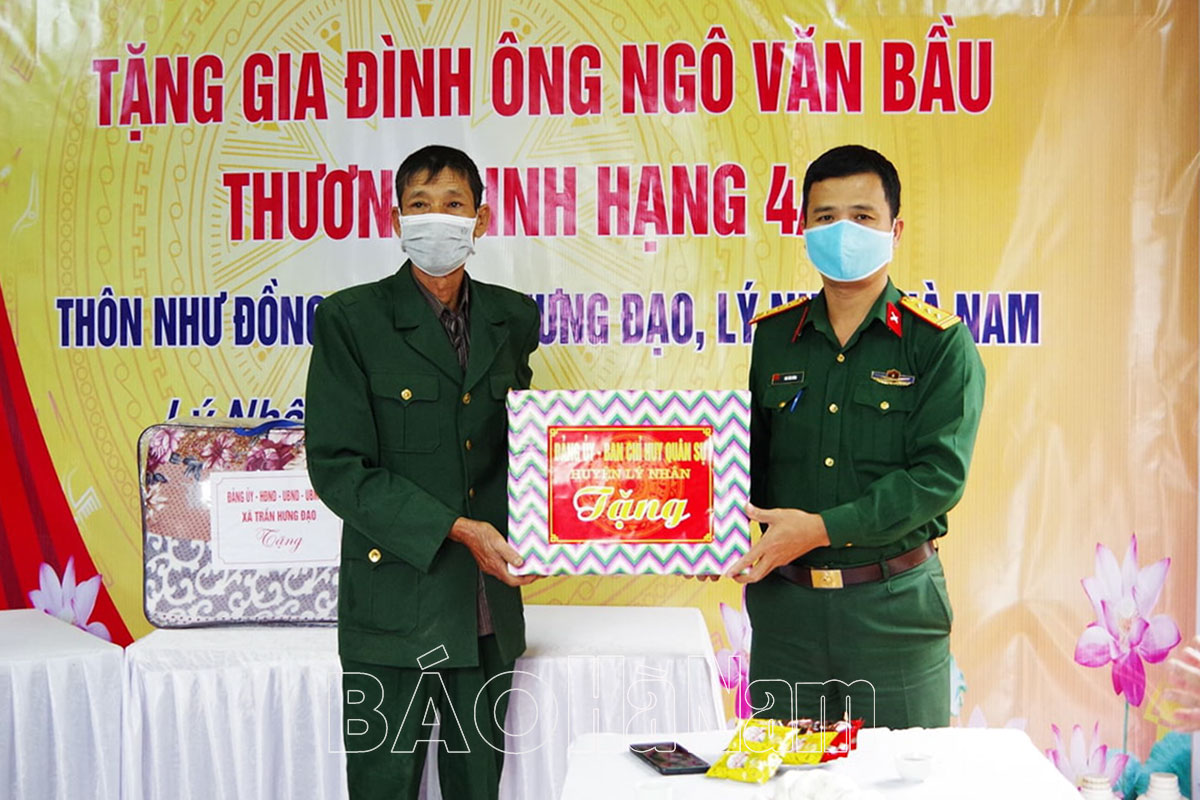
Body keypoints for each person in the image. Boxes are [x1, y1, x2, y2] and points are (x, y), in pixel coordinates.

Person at [305, 144, 540, 799]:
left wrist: (555, 528)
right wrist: (459, 529)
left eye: (454, 204)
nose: (437, 218)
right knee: (383, 787)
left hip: (486, 608)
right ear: (396, 220)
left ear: (481, 220)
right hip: (392, 607)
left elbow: (524, 448)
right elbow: (338, 468)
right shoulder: (351, 320)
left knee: (477, 787)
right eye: (420, 204)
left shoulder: (513, 318)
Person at [725, 144, 985, 729]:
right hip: (787, 616)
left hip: (893, 612)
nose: (844, 231)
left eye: (862, 216)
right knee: (783, 776)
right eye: (826, 217)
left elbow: (937, 478)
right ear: (804, 230)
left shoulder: (937, 343)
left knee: (899, 775)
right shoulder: (775, 338)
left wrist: (820, 529)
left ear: (895, 230)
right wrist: (703, 535)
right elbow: (750, 461)